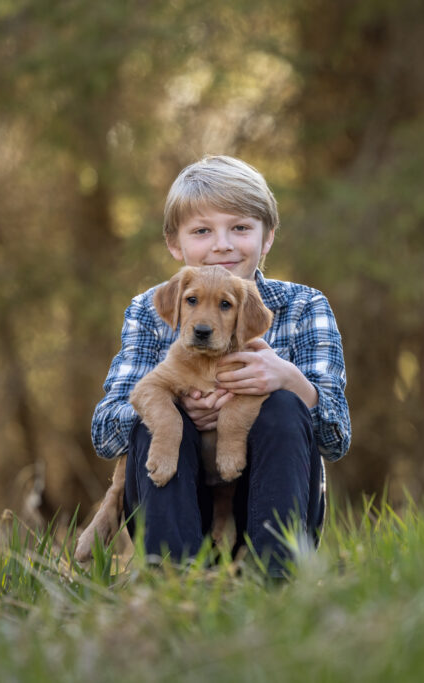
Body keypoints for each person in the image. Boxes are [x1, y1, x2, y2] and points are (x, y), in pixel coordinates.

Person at [90, 155, 351, 575]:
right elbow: (106, 433)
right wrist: (178, 411)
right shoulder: (147, 309)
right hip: (175, 503)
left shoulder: (304, 306)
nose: (222, 244)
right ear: (176, 245)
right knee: (151, 417)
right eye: (202, 231)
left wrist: (289, 379)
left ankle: (275, 574)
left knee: (283, 406)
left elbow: (336, 438)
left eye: (241, 228)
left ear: (266, 239)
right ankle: (172, 575)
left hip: (268, 506)